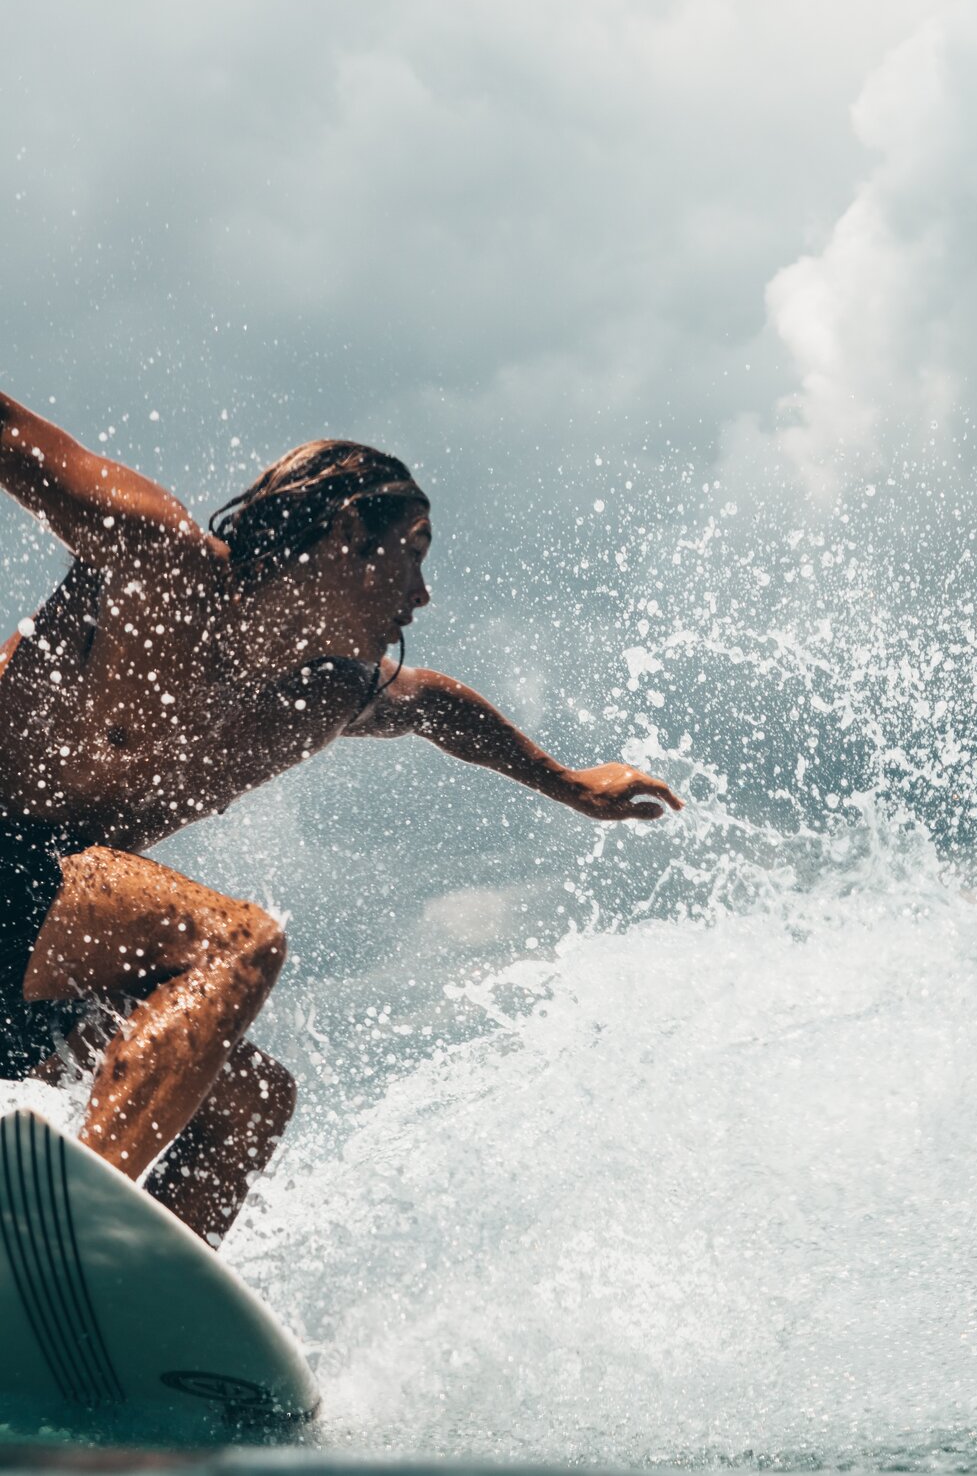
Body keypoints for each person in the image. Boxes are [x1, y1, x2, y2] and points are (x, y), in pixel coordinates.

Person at [0, 390, 683, 1245]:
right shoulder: (162, 565)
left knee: (251, 1104)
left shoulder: (316, 697)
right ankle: (67, 1236)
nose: (424, 595)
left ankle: (125, 1314)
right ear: (345, 532)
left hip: (32, 943)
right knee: (238, 942)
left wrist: (572, 785)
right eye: (414, 553)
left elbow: (434, 707)